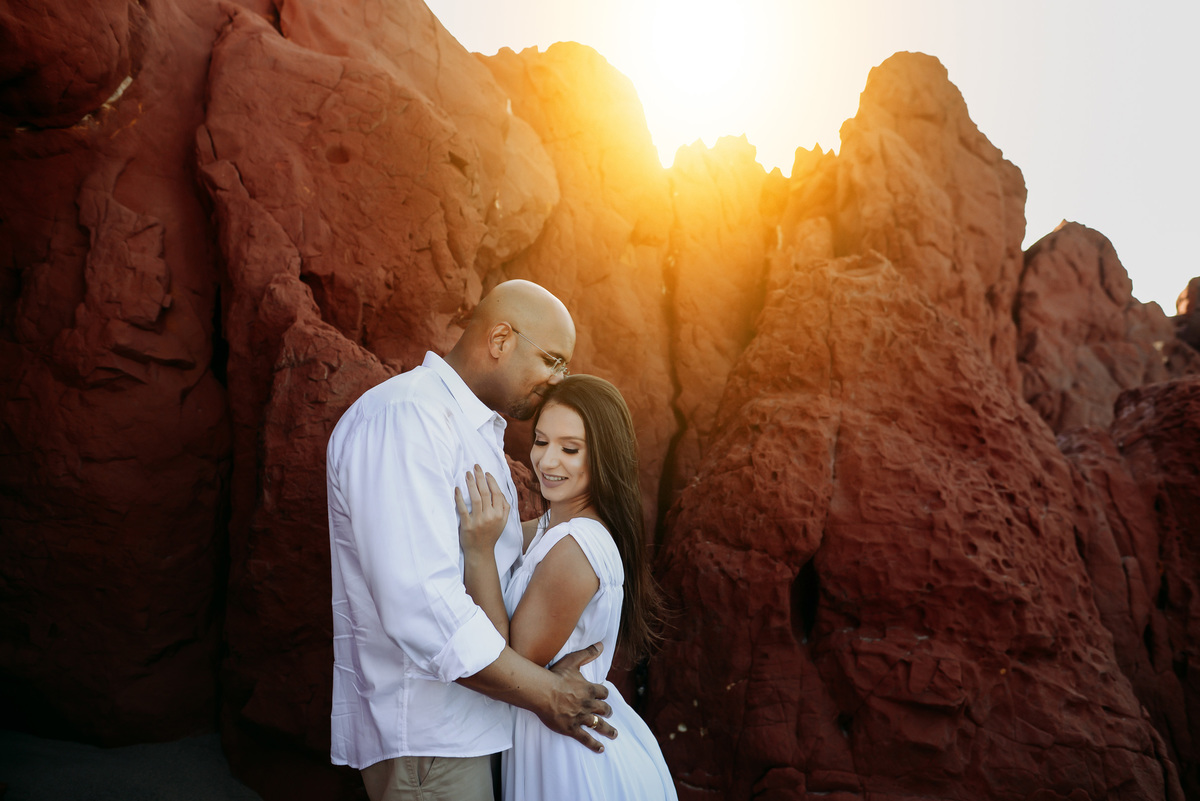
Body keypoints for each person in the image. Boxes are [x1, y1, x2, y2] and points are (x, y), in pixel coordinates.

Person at [326, 280, 617, 801]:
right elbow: (421, 606)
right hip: (428, 740)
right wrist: (546, 693)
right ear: (501, 339)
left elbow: (487, 558)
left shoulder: (470, 427)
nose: (558, 380)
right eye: (552, 360)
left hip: (463, 730)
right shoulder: (408, 416)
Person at [456, 375, 678, 800]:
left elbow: (506, 663)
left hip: (571, 762)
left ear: (604, 455)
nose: (547, 460)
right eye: (541, 441)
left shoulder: (576, 547)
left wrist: (479, 552)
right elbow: (515, 536)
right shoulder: (552, 529)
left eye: (570, 449)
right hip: (556, 741)